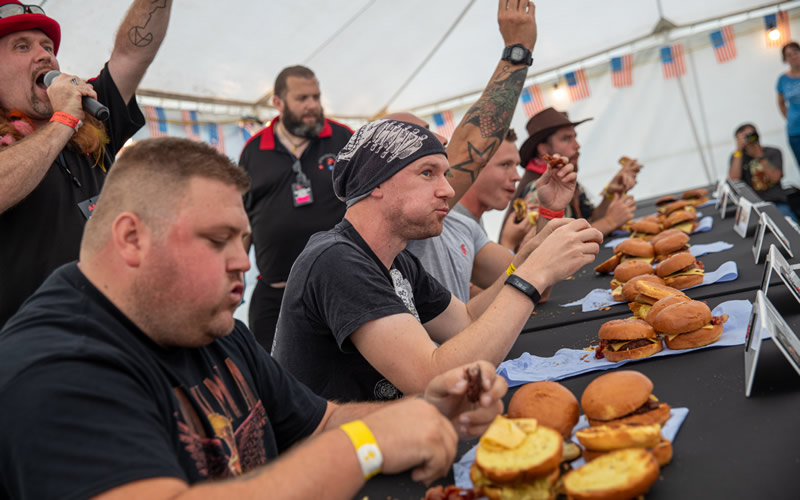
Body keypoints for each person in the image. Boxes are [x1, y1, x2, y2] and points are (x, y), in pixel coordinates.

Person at [0, 138, 507, 500]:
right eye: (218, 240)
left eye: (244, 243)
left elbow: (322, 422)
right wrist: (368, 445)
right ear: (132, 239)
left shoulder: (211, 330)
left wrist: (430, 409)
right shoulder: (55, 368)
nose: (245, 262)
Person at [272, 118, 602, 402]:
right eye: (428, 173)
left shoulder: (395, 259)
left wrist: (527, 261)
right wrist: (530, 277)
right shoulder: (336, 259)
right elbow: (432, 378)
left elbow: (468, 319)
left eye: (445, 174)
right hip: (341, 466)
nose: (447, 190)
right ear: (375, 183)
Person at [0, 0, 172, 328]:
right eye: (22, 46)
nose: (44, 55)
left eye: (47, 47)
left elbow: (132, 53)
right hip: (32, 350)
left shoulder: (90, 121)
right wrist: (62, 121)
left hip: (116, 335)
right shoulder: (68, 118)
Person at [238, 65, 354, 350]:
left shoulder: (344, 139)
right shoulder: (253, 151)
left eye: (316, 97)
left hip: (340, 288)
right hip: (274, 294)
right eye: (302, 99)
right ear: (278, 102)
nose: (313, 105)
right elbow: (241, 223)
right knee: (273, 380)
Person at [407, 128, 541, 302]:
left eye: (516, 165)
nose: (516, 176)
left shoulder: (465, 225)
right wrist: (509, 242)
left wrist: (550, 211)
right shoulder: (427, 228)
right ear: (475, 166)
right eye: (505, 165)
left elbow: (534, 282)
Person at [500, 107, 640, 249]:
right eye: (566, 139)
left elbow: (589, 220)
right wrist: (610, 222)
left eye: (575, 137)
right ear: (543, 150)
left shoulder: (559, 177)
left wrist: (610, 193)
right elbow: (549, 248)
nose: (577, 145)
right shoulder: (538, 189)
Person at [729, 123, 796, 221]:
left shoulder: (773, 152)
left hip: (776, 203)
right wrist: (738, 150)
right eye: (745, 137)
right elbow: (733, 179)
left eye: (751, 134)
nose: (749, 139)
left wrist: (759, 155)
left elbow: (776, 177)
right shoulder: (738, 157)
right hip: (752, 206)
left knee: (789, 227)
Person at [777, 41, 800, 170]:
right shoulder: (783, 80)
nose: (793, 57)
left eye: (795, 52)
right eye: (789, 55)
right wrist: (790, 118)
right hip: (795, 131)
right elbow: (780, 102)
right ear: (785, 59)